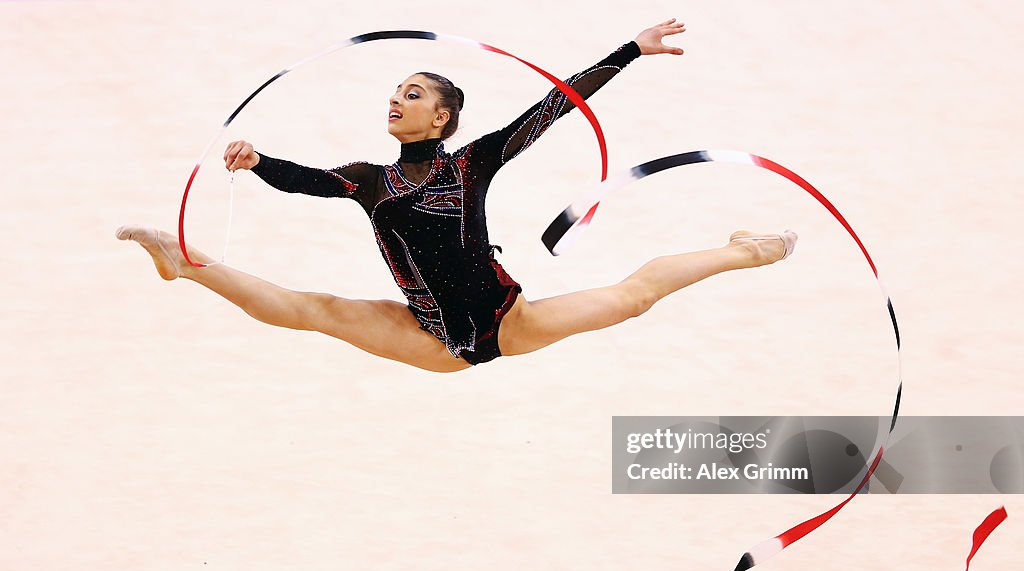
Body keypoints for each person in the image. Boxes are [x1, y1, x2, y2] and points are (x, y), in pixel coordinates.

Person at [116, 19, 797, 373]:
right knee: (311, 309)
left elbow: (553, 107)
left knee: (633, 297)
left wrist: (630, 50)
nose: (396, 99)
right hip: (429, 339)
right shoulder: (369, 179)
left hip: (508, 321)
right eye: (394, 92)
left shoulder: (476, 162)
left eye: (412, 93)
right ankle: (186, 263)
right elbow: (305, 180)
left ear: (441, 117)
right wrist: (258, 160)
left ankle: (750, 251)